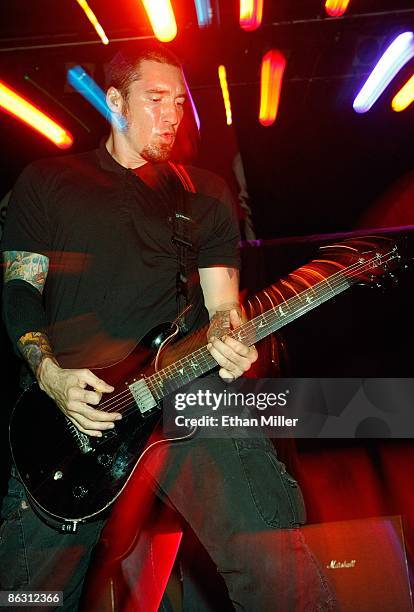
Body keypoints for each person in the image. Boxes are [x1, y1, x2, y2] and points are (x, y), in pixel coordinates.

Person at [0, 44, 337, 611]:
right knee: (28, 596)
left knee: (278, 569)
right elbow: (18, 290)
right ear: (114, 101)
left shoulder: (204, 193)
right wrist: (50, 374)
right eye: (155, 99)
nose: (172, 115)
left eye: (179, 101)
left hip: (186, 395)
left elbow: (223, 305)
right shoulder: (49, 181)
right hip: (71, 412)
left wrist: (236, 342)